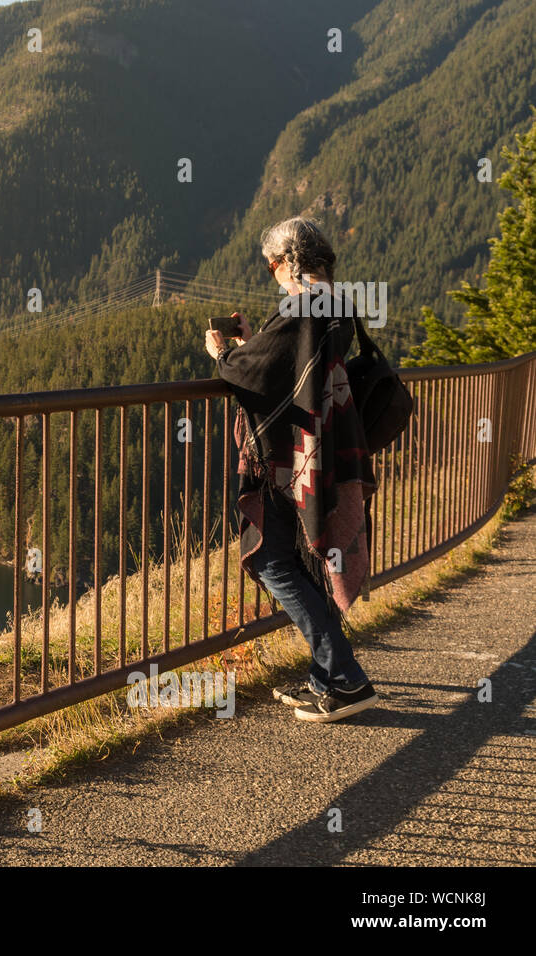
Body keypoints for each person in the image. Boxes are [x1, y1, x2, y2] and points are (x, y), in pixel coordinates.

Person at [203, 216, 378, 723]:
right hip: (327, 449)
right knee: (302, 563)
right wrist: (257, 342)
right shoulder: (334, 302)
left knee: (271, 560)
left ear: (291, 261)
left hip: (292, 456)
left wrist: (224, 353)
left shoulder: (304, 306)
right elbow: (292, 363)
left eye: (273, 264)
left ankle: (346, 679)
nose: (273, 272)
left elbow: (250, 374)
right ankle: (326, 679)